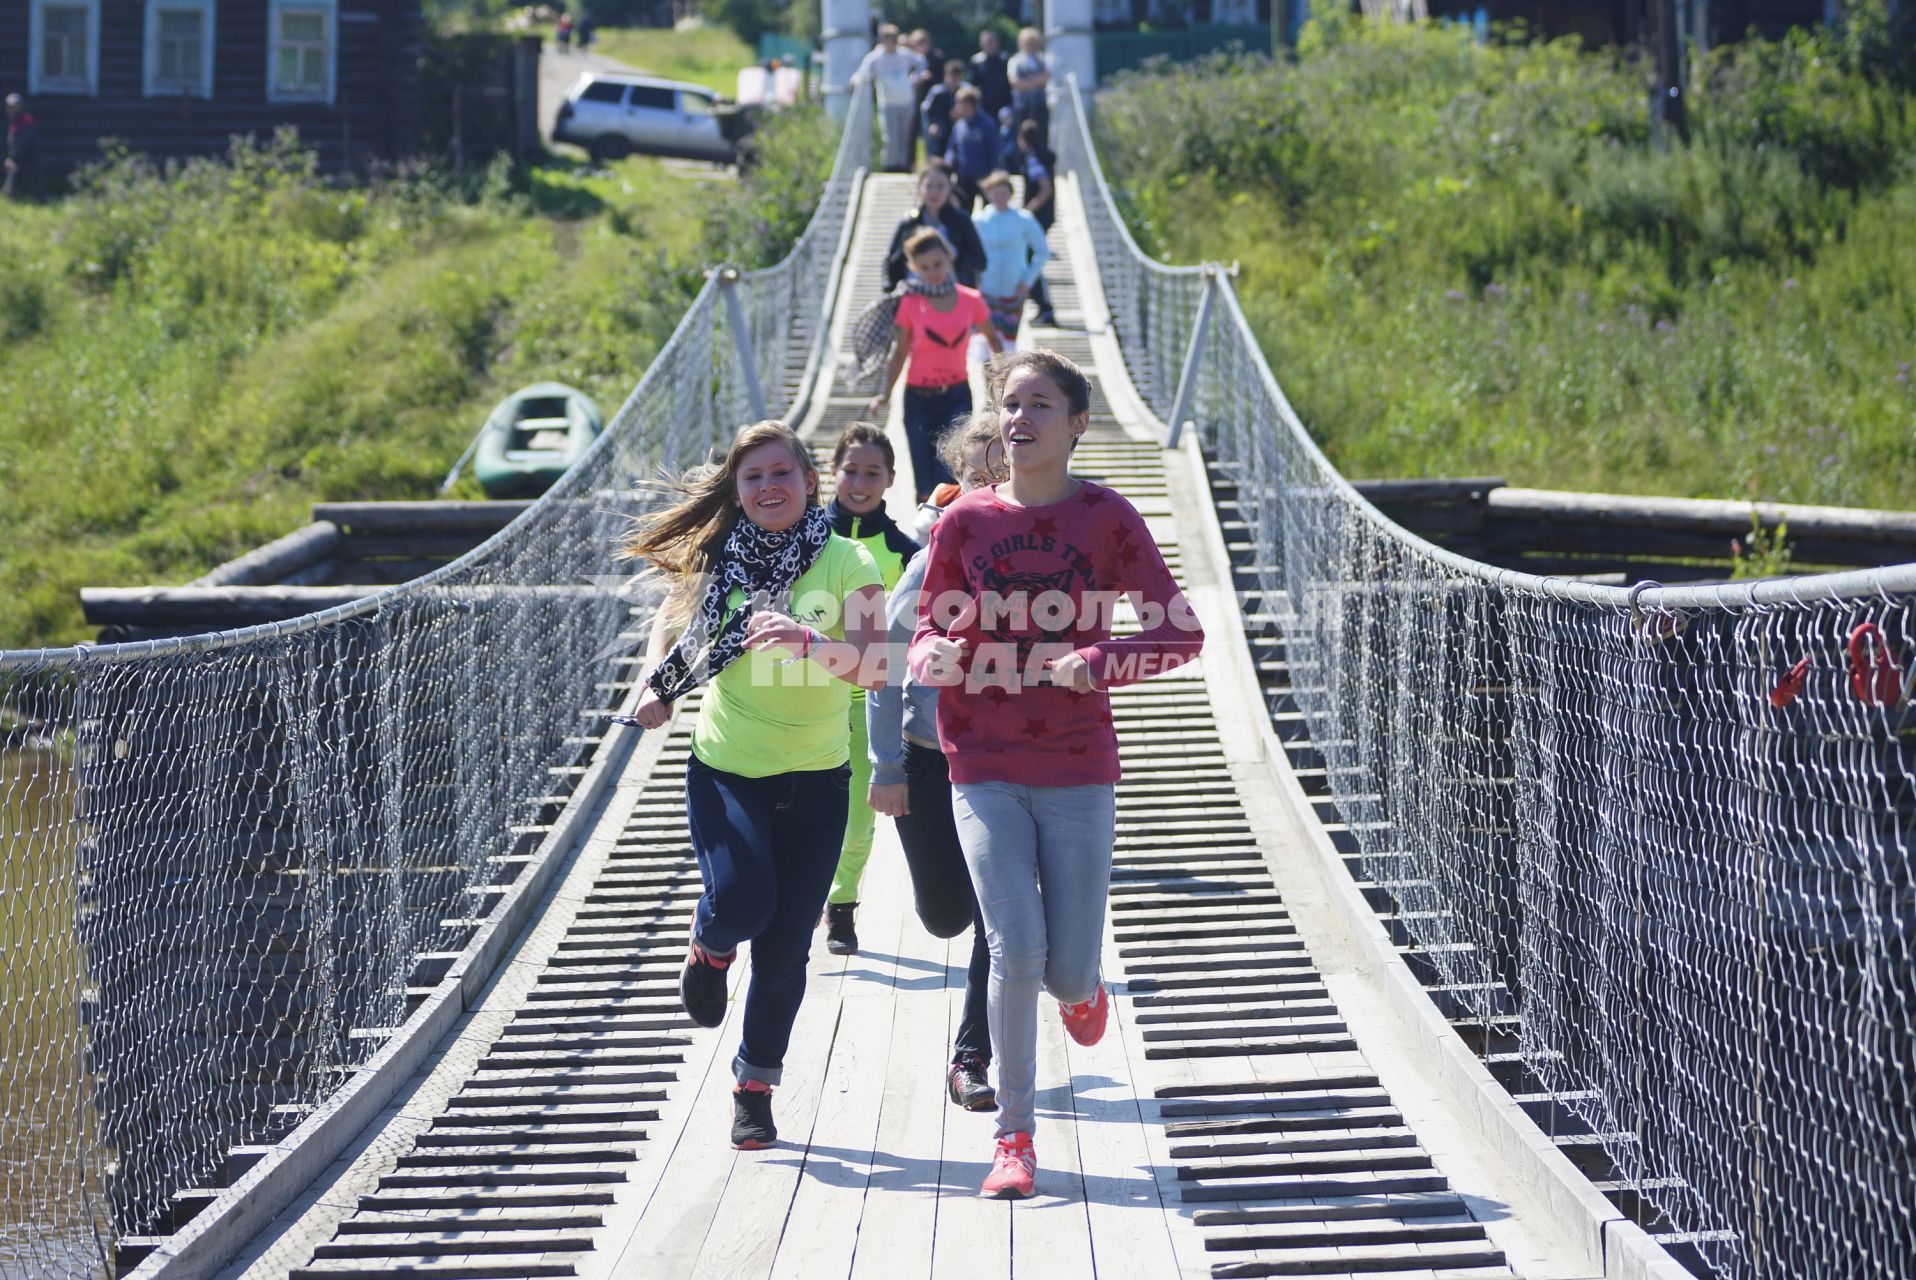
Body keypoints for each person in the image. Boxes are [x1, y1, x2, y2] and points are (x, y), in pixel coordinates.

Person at [909, 349, 1205, 1199]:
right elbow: (929, 626)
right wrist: (932, 652)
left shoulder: (1109, 519)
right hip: (982, 759)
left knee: (1067, 967)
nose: (1019, 418)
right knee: (1015, 948)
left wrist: (1102, 660)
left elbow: (1180, 636)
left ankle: (1084, 993)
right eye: (1009, 403)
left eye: (1040, 404)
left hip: (1077, 763)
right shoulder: (965, 521)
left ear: (1077, 424)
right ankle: (1014, 1138)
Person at [621, 419, 887, 1151]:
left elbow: (876, 666)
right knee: (742, 901)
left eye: (782, 474)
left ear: (810, 482)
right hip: (728, 769)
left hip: (818, 779)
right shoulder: (718, 559)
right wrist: (658, 683)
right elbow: (672, 629)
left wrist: (811, 642)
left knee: (785, 954)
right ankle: (708, 949)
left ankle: (753, 1088)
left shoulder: (850, 561)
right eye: (753, 478)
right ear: (737, 494)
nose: (769, 487)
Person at [868, 414, 1009, 1112]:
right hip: (926, 763)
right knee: (946, 916)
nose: (997, 485)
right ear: (963, 482)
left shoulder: (1043, 558)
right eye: (984, 473)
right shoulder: (931, 562)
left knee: (994, 916)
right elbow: (882, 669)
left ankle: (969, 1058)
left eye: (1009, 471)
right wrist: (885, 765)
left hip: (1002, 768)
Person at [821, 422, 921, 956]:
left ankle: (841, 906)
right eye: (851, 470)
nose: (859, 483)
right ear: (832, 473)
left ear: (890, 481)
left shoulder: (905, 552)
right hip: (804, 697)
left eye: (872, 473)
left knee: (859, 817)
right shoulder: (802, 537)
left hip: (867, 701)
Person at [868, 228, 1005, 503]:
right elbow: (900, 352)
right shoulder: (909, 303)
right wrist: (885, 392)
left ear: (949, 258)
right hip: (918, 399)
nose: (933, 272)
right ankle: (926, 537)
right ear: (914, 269)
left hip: (956, 395)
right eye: (925, 268)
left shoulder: (971, 300)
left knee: (950, 473)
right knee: (924, 479)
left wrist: (1002, 380)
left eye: (938, 264)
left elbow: (994, 342)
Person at [881, 162, 985, 291]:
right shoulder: (909, 222)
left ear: (949, 189)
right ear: (920, 188)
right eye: (929, 186)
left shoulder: (961, 221)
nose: (934, 192)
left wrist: (955, 255)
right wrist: (888, 289)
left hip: (952, 294)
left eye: (940, 186)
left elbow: (981, 262)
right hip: (914, 294)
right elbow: (889, 260)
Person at [972, 171, 1049, 343]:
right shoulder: (979, 220)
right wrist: (974, 278)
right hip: (986, 288)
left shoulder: (1023, 219)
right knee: (983, 341)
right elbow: (970, 253)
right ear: (987, 193)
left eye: (1003, 192)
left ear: (1011, 194)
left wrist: (1028, 280)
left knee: (1008, 341)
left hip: (1013, 288)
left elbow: (1043, 251)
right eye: (995, 192)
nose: (999, 197)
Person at [856, 24, 925, 173]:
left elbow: (922, 62)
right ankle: (889, 165)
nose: (890, 43)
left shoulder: (903, 54)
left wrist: (916, 78)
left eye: (893, 39)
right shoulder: (876, 57)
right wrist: (857, 80)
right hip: (888, 103)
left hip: (906, 101)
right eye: (887, 39)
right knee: (890, 137)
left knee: (903, 137)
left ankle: (902, 165)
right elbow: (862, 72)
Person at [1014, 120, 1059, 326]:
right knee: (1031, 261)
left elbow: (1045, 188)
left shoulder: (1032, 158)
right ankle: (1043, 307)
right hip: (1046, 215)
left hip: (1037, 218)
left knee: (1028, 262)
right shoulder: (1045, 155)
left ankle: (1045, 309)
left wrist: (1027, 211)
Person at [944, 87, 1000, 213]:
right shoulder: (959, 125)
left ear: (969, 105)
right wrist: (948, 162)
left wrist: (994, 174)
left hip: (984, 176)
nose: (957, 108)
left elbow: (994, 151)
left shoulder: (987, 125)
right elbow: (952, 148)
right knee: (964, 210)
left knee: (988, 210)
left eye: (960, 104)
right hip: (964, 177)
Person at [1008, 27, 1051, 143]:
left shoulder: (1043, 59)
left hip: (1040, 107)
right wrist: (1035, 81)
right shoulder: (1015, 61)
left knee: (1041, 138)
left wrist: (1026, 82)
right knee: (1022, 138)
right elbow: (1014, 82)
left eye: (1033, 42)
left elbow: (1047, 77)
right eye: (1027, 42)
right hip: (1022, 107)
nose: (1030, 45)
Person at [920, 60, 966, 160]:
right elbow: (927, 111)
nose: (953, 81)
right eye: (951, 77)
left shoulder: (965, 92)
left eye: (956, 77)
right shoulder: (937, 92)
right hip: (941, 127)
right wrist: (931, 124)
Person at [969, 29, 1013, 121]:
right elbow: (974, 85)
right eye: (986, 42)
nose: (989, 45)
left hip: (1004, 105)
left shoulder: (1005, 60)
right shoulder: (976, 61)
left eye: (991, 42)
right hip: (984, 106)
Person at [3, 94, 40, 202]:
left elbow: (23, 146)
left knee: (31, 195)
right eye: (8, 107)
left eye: (13, 107)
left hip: (27, 163)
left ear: (19, 107)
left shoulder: (25, 122)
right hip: (18, 162)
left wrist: (12, 159)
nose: (10, 110)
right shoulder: (15, 122)